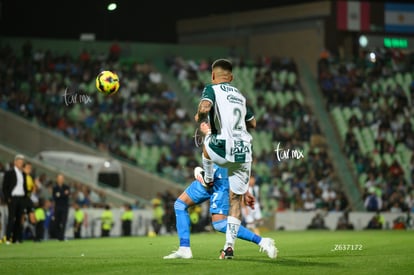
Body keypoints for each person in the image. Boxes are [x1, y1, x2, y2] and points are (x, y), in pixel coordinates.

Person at [193, 58, 257, 259]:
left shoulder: (212, 89)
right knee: (235, 201)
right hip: (244, 150)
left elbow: (204, 107)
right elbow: (253, 122)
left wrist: (199, 115)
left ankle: (209, 177)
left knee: (206, 142)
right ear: (231, 77)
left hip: (223, 146)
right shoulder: (240, 95)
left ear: (213, 76)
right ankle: (229, 247)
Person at [163, 164, 277, 260]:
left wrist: (244, 191)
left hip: (221, 181)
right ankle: (184, 248)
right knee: (180, 204)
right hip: (209, 176)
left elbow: (237, 163)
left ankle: (262, 241)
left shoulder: (229, 140)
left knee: (219, 224)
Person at [2, 154, 28, 244]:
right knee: (11, 218)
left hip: (21, 198)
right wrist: (8, 198)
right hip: (13, 198)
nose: (21, 164)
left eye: (22, 162)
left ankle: (16, 239)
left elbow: (25, 187)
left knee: (19, 219)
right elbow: (4, 187)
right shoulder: (9, 173)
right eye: (19, 162)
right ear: (15, 162)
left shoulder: (24, 174)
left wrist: (25, 198)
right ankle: (8, 238)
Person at [52, 173, 70, 241]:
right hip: (57, 207)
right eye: (59, 178)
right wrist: (63, 194)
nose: (60, 180)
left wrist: (59, 194)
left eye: (61, 178)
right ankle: (58, 236)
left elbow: (66, 195)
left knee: (63, 222)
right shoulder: (55, 188)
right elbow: (55, 197)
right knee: (57, 222)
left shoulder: (66, 187)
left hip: (64, 207)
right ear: (57, 179)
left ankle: (61, 237)